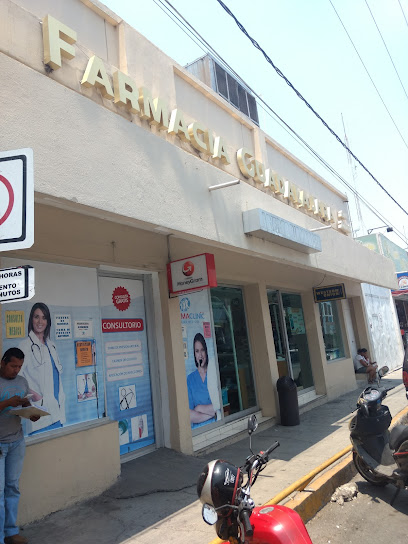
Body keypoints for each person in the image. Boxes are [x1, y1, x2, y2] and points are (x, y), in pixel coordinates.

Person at [0, 347, 40, 544]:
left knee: (12, 488)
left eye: (19, 366)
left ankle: (10, 532)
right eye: (13, 366)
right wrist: (6, 402)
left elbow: (24, 407)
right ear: (3, 363)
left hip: (16, 440)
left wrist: (30, 411)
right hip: (0, 444)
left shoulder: (22, 382)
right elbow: (7, 405)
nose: (16, 370)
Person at [18, 302, 65, 434]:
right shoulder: (25, 346)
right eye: (36, 317)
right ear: (31, 319)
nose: (40, 321)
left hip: (57, 408)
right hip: (40, 411)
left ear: (48, 321)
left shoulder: (52, 345)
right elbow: (17, 378)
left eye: (44, 318)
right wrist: (36, 396)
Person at [187, 333, 216, 429]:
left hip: (216, 426)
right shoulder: (190, 380)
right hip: (198, 431)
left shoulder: (213, 374)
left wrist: (199, 408)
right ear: (194, 354)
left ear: (206, 351)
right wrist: (211, 414)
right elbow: (189, 415)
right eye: (197, 351)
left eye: (202, 350)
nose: (200, 355)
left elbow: (218, 407)